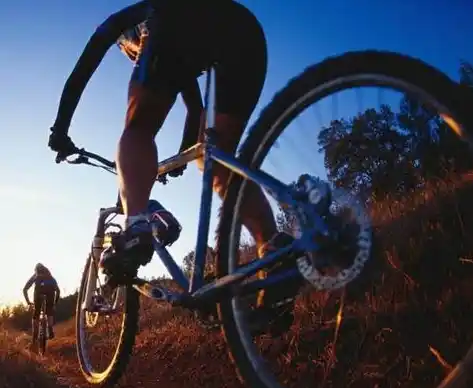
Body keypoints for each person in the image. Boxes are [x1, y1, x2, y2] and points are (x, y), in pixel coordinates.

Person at [48, 0, 302, 334]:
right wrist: (186, 155)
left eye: (130, 52)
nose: (132, 56)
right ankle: (274, 251)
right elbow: (194, 108)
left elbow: (82, 71)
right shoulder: (182, 38)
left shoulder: (135, 19)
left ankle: (137, 226)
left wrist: (60, 129)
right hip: (244, 33)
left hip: (179, 25)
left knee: (138, 131)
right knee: (214, 157)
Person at [23, 263, 61, 340]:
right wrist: (54, 303)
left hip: (38, 295)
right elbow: (58, 291)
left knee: (36, 314)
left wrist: (28, 302)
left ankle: (34, 336)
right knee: (49, 311)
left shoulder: (35, 276)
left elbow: (25, 289)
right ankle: (50, 330)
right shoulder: (50, 277)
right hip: (50, 295)